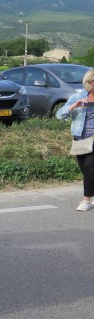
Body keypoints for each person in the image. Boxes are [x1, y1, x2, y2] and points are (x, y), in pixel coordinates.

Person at [56, 67, 94, 211]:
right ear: (90, 82)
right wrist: (73, 106)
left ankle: (86, 200)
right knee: (86, 170)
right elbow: (59, 115)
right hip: (80, 139)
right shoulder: (77, 97)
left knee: (89, 168)